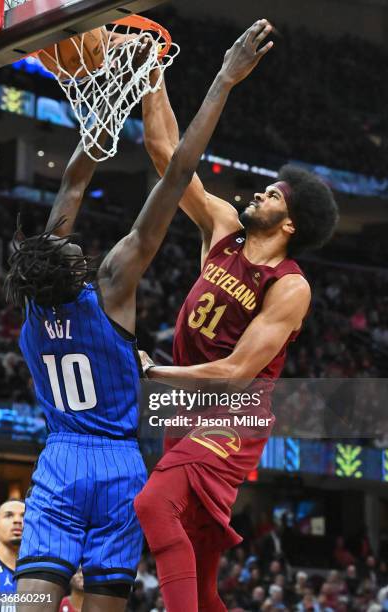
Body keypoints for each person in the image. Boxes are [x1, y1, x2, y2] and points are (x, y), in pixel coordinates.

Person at [4, 20, 270, 612]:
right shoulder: (113, 283)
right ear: (73, 267)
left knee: (27, 605)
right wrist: (221, 79)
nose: (76, 242)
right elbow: (176, 173)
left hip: (58, 461)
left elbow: (72, 183)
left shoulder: (32, 303)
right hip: (118, 464)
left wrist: (109, 101)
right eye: (72, 247)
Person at [135, 19, 339, 612]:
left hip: (235, 410)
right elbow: (167, 157)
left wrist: (155, 371)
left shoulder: (290, 287)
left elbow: (237, 373)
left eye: (273, 195)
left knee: (152, 506)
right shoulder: (222, 228)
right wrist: (150, 75)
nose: (259, 195)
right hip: (184, 403)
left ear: (290, 224)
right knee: (198, 571)